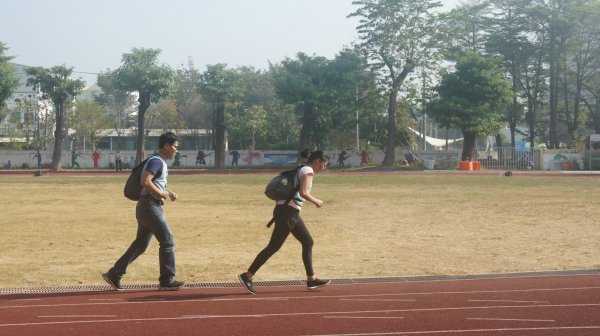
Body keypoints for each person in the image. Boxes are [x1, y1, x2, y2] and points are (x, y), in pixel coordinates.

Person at [238, 149, 331, 294]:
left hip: (286, 211)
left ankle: (311, 279)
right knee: (274, 246)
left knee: (307, 241)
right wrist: (317, 201)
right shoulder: (308, 170)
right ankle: (247, 275)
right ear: (318, 161)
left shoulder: (301, 168)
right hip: (288, 213)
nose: (324, 168)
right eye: (324, 165)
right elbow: (303, 193)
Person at [102, 132, 185, 291]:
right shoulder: (156, 161)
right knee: (167, 241)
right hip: (150, 207)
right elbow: (145, 181)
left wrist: (168, 192)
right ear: (167, 146)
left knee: (141, 244)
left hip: (145, 207)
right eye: (175, 147)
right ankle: (167, 280)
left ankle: (114, 274)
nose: (176, 150)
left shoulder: (158, 161)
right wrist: (161, 194)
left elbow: (154, 183)